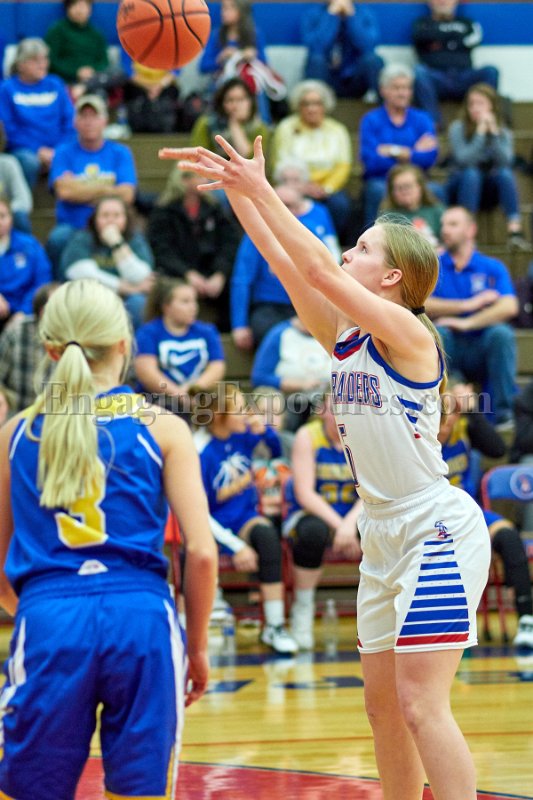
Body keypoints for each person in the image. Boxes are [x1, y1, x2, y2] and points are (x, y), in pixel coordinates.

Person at [160, 136, 492, 799]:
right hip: (382, 531)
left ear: (391, 278)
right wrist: (240, 193)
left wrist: (262, 190)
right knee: (382, 711)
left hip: (435, 528)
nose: (345, 253)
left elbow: (315, 268)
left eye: (361, 249)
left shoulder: (412, 335)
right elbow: (286, 265)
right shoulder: (346, 337)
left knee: (421, 704)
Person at [0, 279, 218, 799]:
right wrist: (196, 647)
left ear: (51, 349)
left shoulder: (15, 433)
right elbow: (202, 553)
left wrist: (36, 610)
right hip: (141, 618)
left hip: (51, 615)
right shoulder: (163, 427)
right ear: (124, 344)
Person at [192, 383, 298, 655]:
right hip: (210, 526)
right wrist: (236, 546)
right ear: (219, 414)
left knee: (267, 536)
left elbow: (275, 450)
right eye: (240, 409)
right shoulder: (199, 450)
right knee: (196, 552)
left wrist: (264, 431)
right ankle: (202, 624)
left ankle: (274, 626)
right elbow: (198, 513)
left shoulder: (241, 434)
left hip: (243, 519)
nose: (248, 414)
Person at [438, 379, 533, 649]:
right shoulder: (417, 436)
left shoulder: (464, 428)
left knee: (509, 535)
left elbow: (498, 449)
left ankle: (526, 619)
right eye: (442, 413)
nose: (447, 421)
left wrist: (472, 412)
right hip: (434, 514)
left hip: (469, 511)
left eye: (453, 413)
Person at [426, 206, 519, 428]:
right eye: (443, 225)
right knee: (438, 333)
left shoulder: (491, 267)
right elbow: (420, 302)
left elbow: (509, 306)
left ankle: (504, 414)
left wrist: (466, 323)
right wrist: (467, 305)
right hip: (449, 348)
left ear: (471, 230)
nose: (444, 230)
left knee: (502, 334)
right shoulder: (434, 265)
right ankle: (440, 409)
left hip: (482, 347)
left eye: (452, 224)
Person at [283, 393, 362, 649]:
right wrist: (341, 527)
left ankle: (387, 610)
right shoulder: (308, 436)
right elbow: (305, 494)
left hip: (356, 514)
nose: (340, 412)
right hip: (313, 513)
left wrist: (349, 525)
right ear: (321, 410)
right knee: (312, 533)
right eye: (333, 406)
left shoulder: (363, 435)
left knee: (386, 530)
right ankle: (303, 607)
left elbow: (373, 490)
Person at [230, 178, 339, 350]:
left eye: (289, 205)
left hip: (308, 305)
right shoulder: (255, 234)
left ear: (299, 209)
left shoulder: (310, 232)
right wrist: (239, 325)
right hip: (270, 307)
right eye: (278, 204)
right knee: (271, 331)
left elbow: (329, 275)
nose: (283, 210)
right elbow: (242, 280)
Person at [47, 93, 137, 274]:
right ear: (75, 122)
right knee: (57, 238)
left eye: (94, 116)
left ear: (105, 121)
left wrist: (78, 188)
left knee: (137, 239)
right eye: (83, 116)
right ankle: (58, 284)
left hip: (112, 224)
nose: (89, 122)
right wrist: (108, 189)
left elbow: (127, 195)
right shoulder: (63, 152)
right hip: (73, 225)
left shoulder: (120, 152)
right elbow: (64, 192)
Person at [147, 166, 241, 332]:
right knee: (169, 287)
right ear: (183, 180)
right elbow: (162, 250)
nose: (205, 180)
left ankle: (228, 331)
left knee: (236, 284)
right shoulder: (164, 210)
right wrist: (187, 273)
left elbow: (229, 242)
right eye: (199, 176)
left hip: (211, 270)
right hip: (178, 271)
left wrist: (220, 273)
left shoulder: (214, 207)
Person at [446, 83, 530, 251]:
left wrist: (494, 135)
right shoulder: (457, 128)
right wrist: (480, 133)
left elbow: (506, 161)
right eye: (471, 104)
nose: (475, 108)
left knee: (505, 173)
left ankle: (514, 230)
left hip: (490, 188)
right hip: (461, 185)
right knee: (472, 173)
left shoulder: (502, 130)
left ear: (491, 106)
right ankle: (466, 231)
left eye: (480, 103)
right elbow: (463, 160)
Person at [270, 80, 352, 239]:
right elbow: (279, 163)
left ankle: (329, 242)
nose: (311, 108)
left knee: (340, 204)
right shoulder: (285, 128)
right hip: (293, 184)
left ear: (325, 106)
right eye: (306, 104)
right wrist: (302, 186)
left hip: (327, 188)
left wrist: (327, 188)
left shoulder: (338, 130)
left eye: (317, 103)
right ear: (298, 106)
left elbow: (343, 166)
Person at [360, 63, 440, 226]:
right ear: (383, 90)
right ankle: (373, 237)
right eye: (397, 88)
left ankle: (436, 238)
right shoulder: (371, 120)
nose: (403, 93)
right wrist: (413, 152)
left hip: (417, 180)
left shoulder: (423, 119)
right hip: (382, 180)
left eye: (407, 88)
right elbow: (371, 162)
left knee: (437, 190)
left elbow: (429, 158)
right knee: (376, 190)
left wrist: (393, 151)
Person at [59, 195, 154, 329]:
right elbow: (81, 274)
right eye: (105, 215)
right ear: (95, 219)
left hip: (126, 299)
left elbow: (141, 276)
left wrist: (117, 244)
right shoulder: (82, 239)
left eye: (117, 215)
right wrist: (124, 287)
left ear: (126, 219)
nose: (110, 220)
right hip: (92, 296)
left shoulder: (135, 241)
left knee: (138, 303)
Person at [135, 277, 226, 407]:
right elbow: (147, 372)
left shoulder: (207, 331)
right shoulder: (148, 332)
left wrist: (193, 390)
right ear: (166, 307)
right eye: (185, 302)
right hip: (158, 402)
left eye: (194, 301)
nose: (193, 307)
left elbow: (217, 367)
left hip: (198, 400)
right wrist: (178, 394)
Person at [0, 38, 75, 189]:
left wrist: (58, 150)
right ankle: (25, 201)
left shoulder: (55, 84)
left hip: (58, 147)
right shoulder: (7, 89)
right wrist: (37, 150)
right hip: (24, 150)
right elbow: (8, 130)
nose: (42, 64)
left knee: (78, 155)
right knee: (29, 162)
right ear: (21, 64)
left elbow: (70, 121)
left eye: (45, 59)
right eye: (35, 60)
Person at [413, 0, 499, 128]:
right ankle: (432, 124)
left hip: (464, 77)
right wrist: (455, 39)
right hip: (436, 78)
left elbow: (475, 39)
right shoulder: (421, 23)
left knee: (490, 71)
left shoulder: (467, 23)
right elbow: (420, 37)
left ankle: (484, 119)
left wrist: (439, 40)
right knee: (419, 72)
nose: (443, 1)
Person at [251, 315, 331, 431]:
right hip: (289, 401)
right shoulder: (280, 333)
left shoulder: (331, 332)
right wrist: (299, 384)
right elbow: (259, 377)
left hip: (325, 401)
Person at [301, 0, 383, 100]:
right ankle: (315, 103)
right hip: (326, 78)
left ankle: (385, 107)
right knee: (316, 60)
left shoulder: (365, 14)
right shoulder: (313, 14)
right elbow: (316, 47)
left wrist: (352, 17)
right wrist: (331, 16)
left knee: (372, 60)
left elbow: (368, 46)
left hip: (355, 78)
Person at [44, 0, 121, 102]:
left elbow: (104, 61)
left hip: (94, 79)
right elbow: (51, 60)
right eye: (75, 5)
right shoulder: (57, 31)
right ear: (68, 9)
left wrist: (91, 71)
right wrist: (76, 72)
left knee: (119, 74)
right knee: (97, 92)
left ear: (90, 10)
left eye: (83, 6)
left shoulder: (96, 34)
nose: (79, 10)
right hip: (67, 81)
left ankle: (86, 87)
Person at [0, 282, 59, 412]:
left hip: (55, 415)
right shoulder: (16, 332)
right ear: (43, 312)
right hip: (15, 412)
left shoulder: (73, 337)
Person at [0, 197, 52, 331]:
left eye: (2, 216)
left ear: (11, 218)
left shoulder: (30, 245)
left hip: (25, 313)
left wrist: (24, 311)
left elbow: (42, 280)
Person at [190, 77, 271, 160]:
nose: (235, 106)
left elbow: (250, 158)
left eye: (240, 99)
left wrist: (235, 125)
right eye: (230, 100)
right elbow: (197, 157)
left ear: (250, 102)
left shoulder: (259, 128)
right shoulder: (207, 124)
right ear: (222, 104)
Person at [380, 163, 445, 250]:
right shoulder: (387, 217)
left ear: (420, 187)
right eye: (399, 188)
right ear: (392, 192)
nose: (404, 191)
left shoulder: (437, 210)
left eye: (408, 186)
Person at [0, 152, 33, 233]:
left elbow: (24, 201)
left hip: (6, 213)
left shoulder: (7, 164)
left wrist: (4, 213)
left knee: (20, 216)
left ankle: (25, 241)